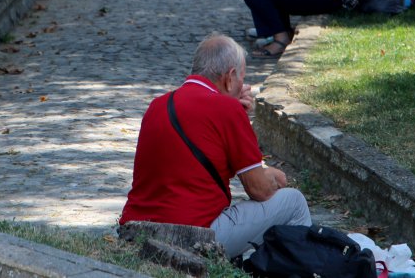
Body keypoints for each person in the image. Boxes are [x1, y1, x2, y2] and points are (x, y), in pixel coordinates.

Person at [119, 33, 311, 258]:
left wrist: (236, 116)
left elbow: (202, 159)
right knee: (294, 201)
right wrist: (273, 174)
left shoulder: (156, 105)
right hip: (191, 236)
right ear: (230, 77)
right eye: (241, 78)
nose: (243, 86)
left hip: (136, 231)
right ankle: (303, 266)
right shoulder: (227, 110)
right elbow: (260, 189)